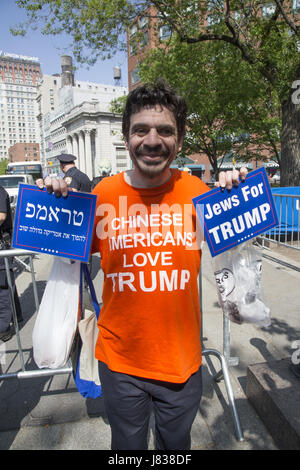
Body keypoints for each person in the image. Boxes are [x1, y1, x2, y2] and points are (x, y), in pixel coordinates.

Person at [37, 80, 247, 450]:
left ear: (179, 141)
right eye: (141, 130)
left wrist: (237, 192)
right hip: (120, 364)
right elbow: (70, 258)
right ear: (125, 137)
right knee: (128, 449)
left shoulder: (200, 195)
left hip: (182, 364)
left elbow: (242, 271)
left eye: (165, 130)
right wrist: (56, 203)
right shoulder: (102, 194)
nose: (152, 140)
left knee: (174, 448)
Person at [0, 185, 23, 342]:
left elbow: (1, 216)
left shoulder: (0, 192)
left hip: (2, 245)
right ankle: (16, 315)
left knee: (3, 288)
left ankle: (3, 328)